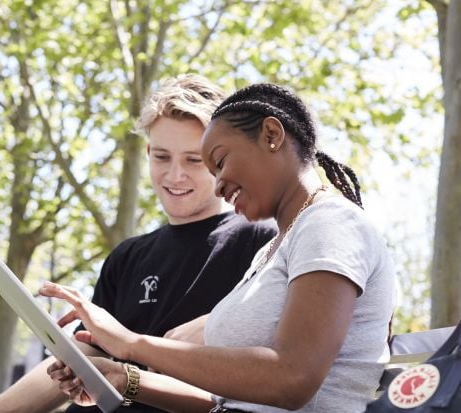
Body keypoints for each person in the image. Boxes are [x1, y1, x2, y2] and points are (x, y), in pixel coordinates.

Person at [43, 83, 396, 413]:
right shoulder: (270, 252)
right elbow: (222, 400)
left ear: (271, 136)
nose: (217, 186)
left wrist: (132, 344)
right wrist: (125, 378)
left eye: (220, 161)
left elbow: (293, 379)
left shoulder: (329, 223)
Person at [0, 75, 276, 413]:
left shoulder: (260, 241)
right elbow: (89, 353)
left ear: (219, 159)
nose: (175, 175)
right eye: (161, 157)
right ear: (147, 153)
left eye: (193, 160)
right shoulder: (127, 257)